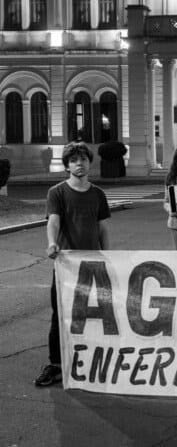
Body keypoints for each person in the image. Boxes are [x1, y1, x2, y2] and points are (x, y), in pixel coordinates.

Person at [36, 141, 111, 387]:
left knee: (95, 315)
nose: (80, 164)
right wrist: (51, 243)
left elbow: (102, 228)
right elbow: (54, 221)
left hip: (93, 265)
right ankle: (55, 364)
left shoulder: (98, 194)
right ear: (67, 165)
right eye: (74, 161)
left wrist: (109, 257)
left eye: (84, 160)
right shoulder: (57, 192)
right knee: (60, 315)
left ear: (90, 163)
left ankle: (90, 359)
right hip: (66, 265)